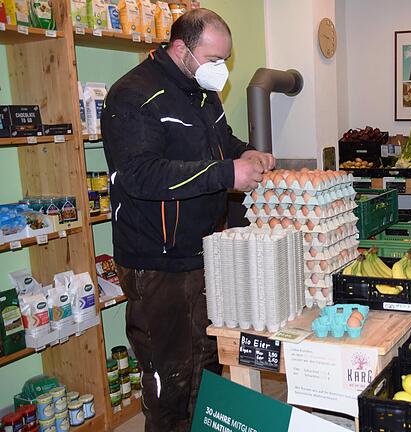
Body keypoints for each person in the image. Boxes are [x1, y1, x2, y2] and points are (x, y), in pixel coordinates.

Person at [101, 8, 274, 432]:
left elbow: (219, 142)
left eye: (225, 61)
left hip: (204, 250)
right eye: (214, 60)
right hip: (158, 261)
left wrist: (245, 152)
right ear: (180, 49)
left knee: (208, 362)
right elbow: (139, 174)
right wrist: (225, 172)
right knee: (171, 375)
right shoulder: (133, 96)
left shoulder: (201, 91)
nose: (221, 70)